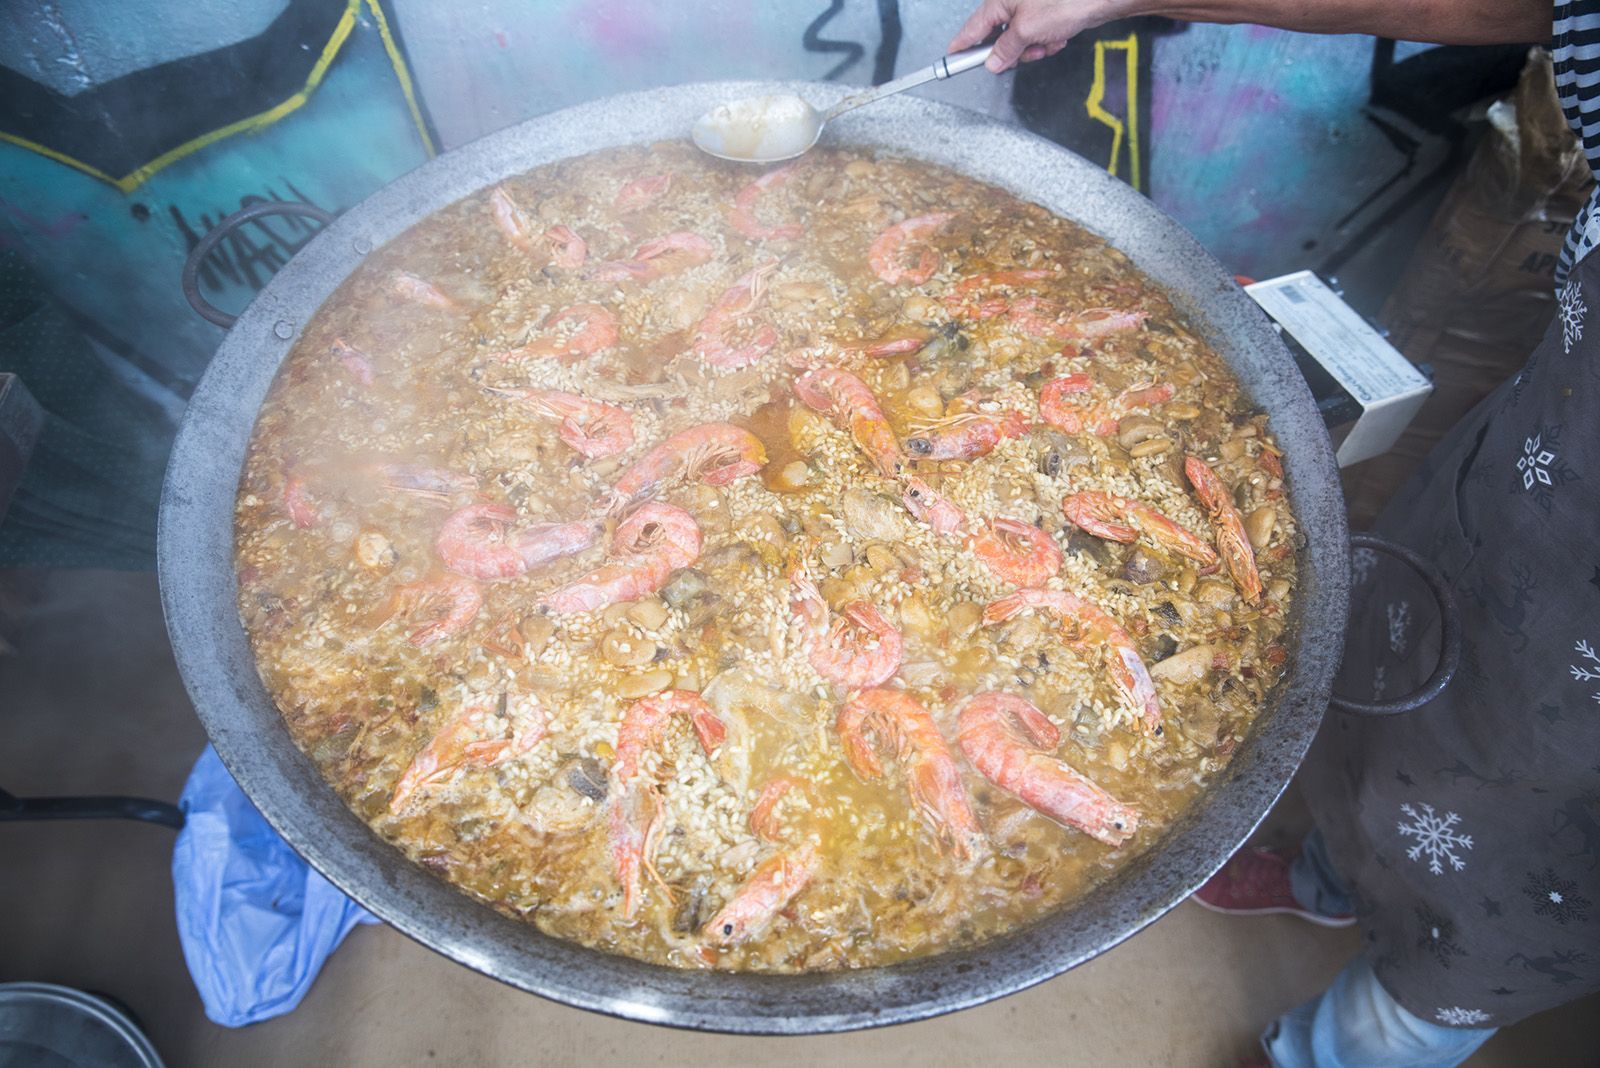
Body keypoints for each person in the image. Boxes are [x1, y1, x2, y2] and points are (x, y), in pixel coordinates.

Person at [951, 2, 1600, 1066]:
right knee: (1411, 665)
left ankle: (1336, 1048)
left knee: (1524, 882)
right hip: (1560, 436)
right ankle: (1329, 874)